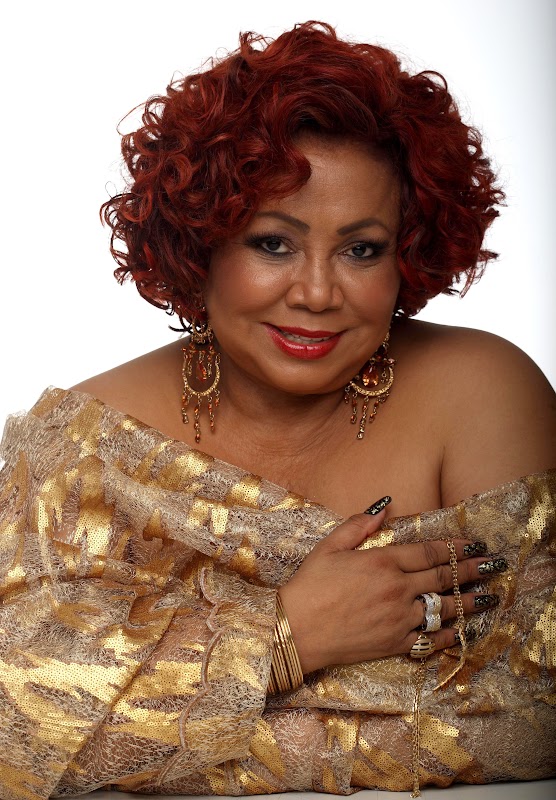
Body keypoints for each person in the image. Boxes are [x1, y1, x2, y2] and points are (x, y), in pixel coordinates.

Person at [0, 21, 554, 800]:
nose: (318, 293)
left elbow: (532, 714)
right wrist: (287, 636)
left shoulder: (481, 391)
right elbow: (16, 732)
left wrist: (162, 718)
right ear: (199, 246)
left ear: (408, 254)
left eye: (361, 249)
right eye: (272, 243)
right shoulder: (86, 449)